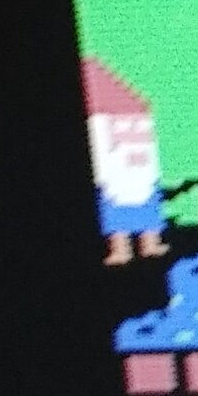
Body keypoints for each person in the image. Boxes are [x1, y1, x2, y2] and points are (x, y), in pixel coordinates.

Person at [82, 58, 169, 266]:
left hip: (133, 176)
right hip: (118, 178)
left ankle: (147, 245)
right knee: (118, 213)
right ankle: (124, 249)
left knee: (139, 209)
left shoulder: (119, 106)